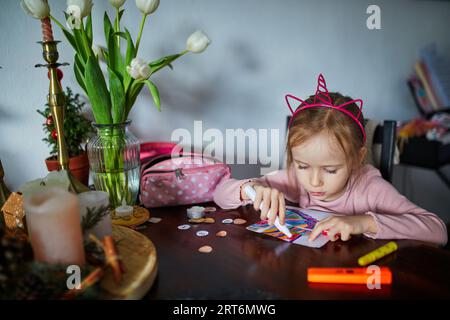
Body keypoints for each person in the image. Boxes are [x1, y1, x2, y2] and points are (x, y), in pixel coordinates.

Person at [213, 74, 447, 245]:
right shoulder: (294, 179)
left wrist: (364, 222)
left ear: (358, 158)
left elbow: (438, 230)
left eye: (331, 170)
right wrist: (249, 189)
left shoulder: (369, 188)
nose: (314, 182)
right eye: (303, 165)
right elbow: (219, 193)